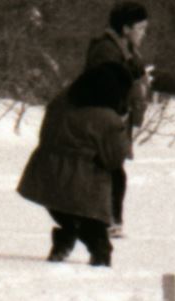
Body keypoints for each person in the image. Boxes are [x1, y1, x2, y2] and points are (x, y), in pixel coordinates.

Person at [18, 58, 137, 265]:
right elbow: (114, 159)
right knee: (93, 225)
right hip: (82, 182)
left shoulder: (60, 101)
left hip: (44, 175)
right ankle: (100, 256)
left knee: (66, 213)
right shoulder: (108, 118)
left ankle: (65, 238)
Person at [84, 1, 156, 132]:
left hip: (114, 132)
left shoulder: (128, 53)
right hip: (101, 134)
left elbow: (147, 76)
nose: (144, 33)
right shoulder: (106, 52)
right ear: (126, 29)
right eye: (140, 28)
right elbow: (105, 92)